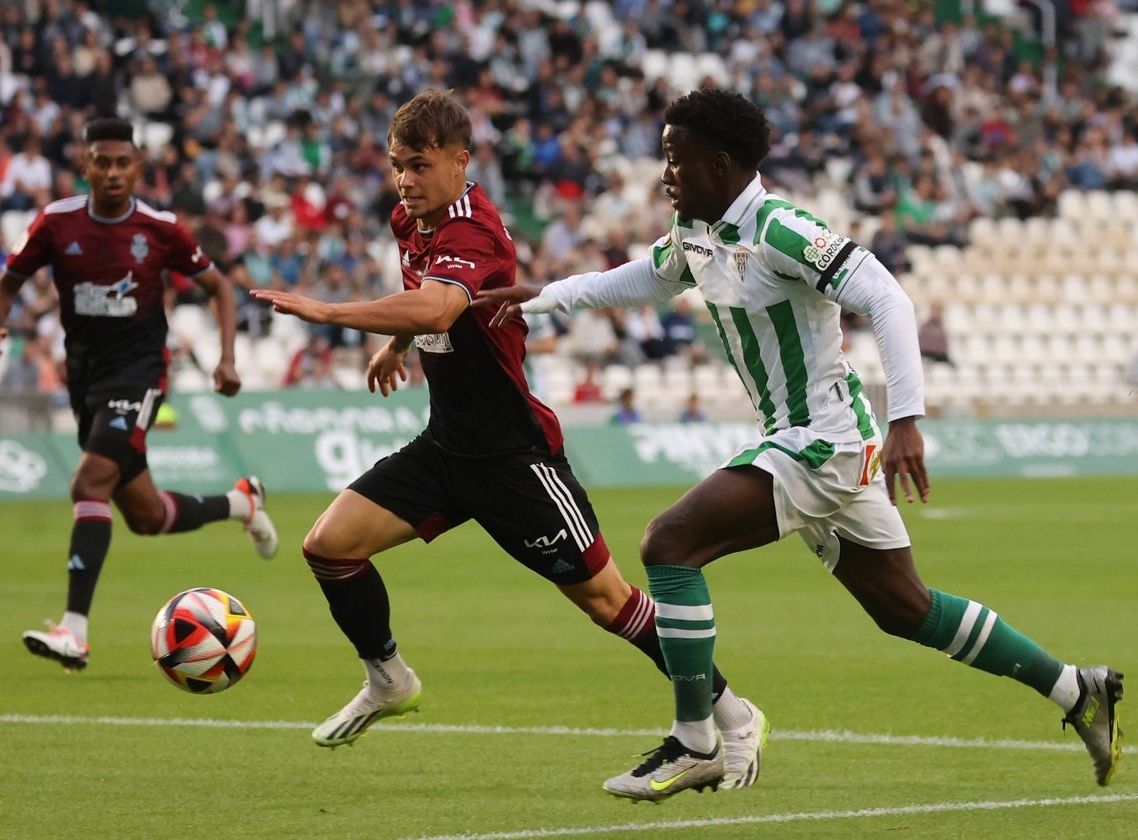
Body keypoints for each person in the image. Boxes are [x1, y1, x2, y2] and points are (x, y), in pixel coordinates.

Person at [479, 89, 1122, 801]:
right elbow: (643, 280)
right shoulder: (698, 230)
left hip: (824, 441)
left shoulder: (784, 229)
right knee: (905, 609)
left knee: (669, 544)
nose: (664, 173)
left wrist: (908, 417)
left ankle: (699, 740)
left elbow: (888, 298)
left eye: (675, 159)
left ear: (719, 165)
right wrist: (543, 296)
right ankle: (1076, 688)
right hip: (806, 441)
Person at [249, 89, 767, 789]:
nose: (405, 180)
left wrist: (327, 310)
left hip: (515, 460)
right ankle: (389, 678)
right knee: (329, 548)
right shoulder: (411, 218)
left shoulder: (476, 231)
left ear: (460, 161)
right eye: (399, 166)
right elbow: (424, 298)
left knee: (611, 603)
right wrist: (398, 344)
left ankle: (732, 716)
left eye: (421, 166)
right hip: (447, 448)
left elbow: (440, 300)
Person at [0, 117, 279, 672]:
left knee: (88, 481)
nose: (113, 172)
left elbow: (220, 288)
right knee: (145, 515)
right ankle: (243, 503)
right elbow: (6, 283)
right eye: (102, 161)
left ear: (139, 167)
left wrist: (228, 357)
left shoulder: (160, 230)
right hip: (86, 379)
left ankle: (74, 631)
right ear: (85, 165)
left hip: (139, 373)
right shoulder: (57, 223)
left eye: (123, 163)